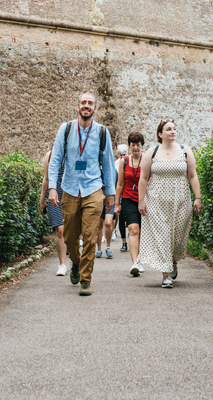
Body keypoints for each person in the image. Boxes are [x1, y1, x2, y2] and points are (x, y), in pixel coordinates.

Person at [48, 93, 116, 296]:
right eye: (83, 103)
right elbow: (56, 159)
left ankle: (86, 279)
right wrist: (53, 187)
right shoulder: (66, 129)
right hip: (69, 188)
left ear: (95, 109)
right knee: (68, 236)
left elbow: (109, 165)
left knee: (89, 235)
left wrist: (110, 193)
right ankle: (75, 263)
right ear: (78, 106)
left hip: (93, 188)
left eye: (90, 103)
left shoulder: (102, 132)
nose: (86, 106)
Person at [137, 119, 202, 288]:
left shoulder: (185, 151)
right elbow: (143, 178)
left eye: (174, 129)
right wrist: (141, 201)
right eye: (168, 129)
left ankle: (172, 262)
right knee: (162, 236)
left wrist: (198, 198)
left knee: (177, 238)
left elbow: (193, 176)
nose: (173, 131)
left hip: (181, 201)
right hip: (156, 202)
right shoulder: (152, 152)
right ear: (160, 134)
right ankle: (166, 274)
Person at [114, 131, 145, 276]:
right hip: (128, 199)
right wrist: (117, 204)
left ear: (142, 146)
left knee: (142, 232)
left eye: (138, 145)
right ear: (129, 146)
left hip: (144, 200)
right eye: (133, 145)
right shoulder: (124, 161)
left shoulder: (147, 160)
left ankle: (140, 258)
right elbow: (120, 184)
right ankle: (135, 263)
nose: (136, 148)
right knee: (133, 229)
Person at [40, 150, 67, 276]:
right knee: (60, 230)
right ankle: (62, 264)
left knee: (72, 231)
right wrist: (42, 201)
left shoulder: (74, 152)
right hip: (54, 196)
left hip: (71, 196)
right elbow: (46, 178)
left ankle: (75, 260)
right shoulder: (50, 155)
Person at [114, 144, 129, 250]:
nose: (121, 156)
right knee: (121, 217)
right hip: (119, 192)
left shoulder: (129, 161)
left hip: (129, 192)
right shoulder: (115, 164)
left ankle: (132, 238)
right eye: (120, 155)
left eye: (123, 154)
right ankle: (124, 242)